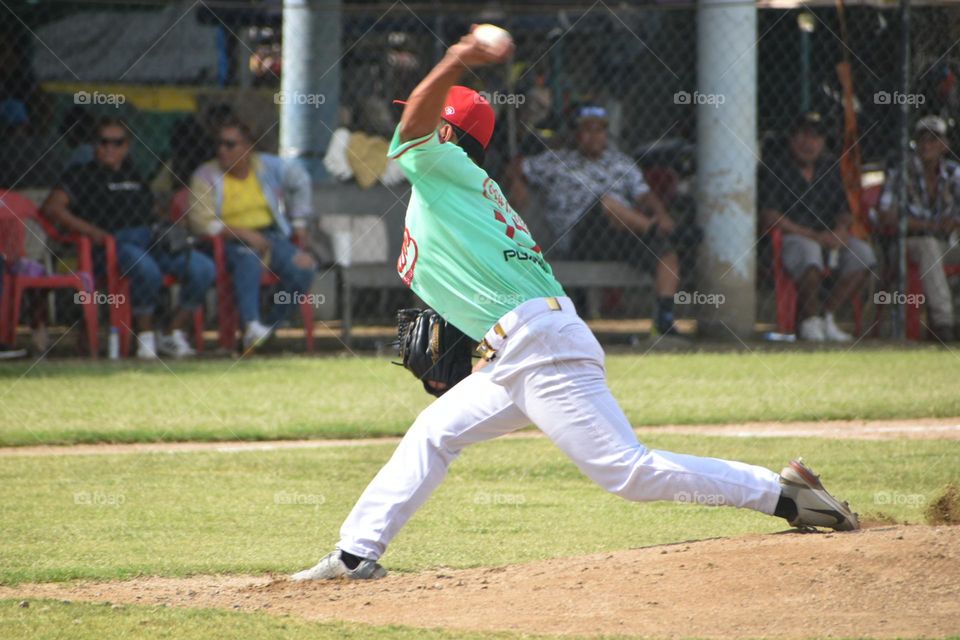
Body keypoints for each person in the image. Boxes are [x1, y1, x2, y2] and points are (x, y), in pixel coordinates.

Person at [291, 28, 859, 582]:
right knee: (434, 433)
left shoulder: (441, 165)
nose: (405, 120)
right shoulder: (453, 188)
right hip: (520, 345)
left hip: (538, 345)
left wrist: (460, 56)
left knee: (626, 471)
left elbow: (417, 116)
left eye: (427, 117)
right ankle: (354, 555)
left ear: (447, 131)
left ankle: (783, 496)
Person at [41, 117, 215, 359]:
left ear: (126, 146)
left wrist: (173, 221)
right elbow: (52, 208)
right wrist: (93, 232)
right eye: (103, 142)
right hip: (112, 247)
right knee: (146, 269)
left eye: (117, 142)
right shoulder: (81, 175)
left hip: (151, 240)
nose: (110, 148)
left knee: (203, 268)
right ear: (94, 146)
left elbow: (152, 209)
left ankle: (171, 332)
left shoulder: (134, 174)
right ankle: (144, 338)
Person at [509, 105, 682, 335]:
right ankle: (652, 230)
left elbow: (644, 195)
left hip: (622, 233)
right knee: (607, 202)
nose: (594, 136)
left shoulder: (620, 162)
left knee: (666, 254)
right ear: (575, 134)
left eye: (599, 130)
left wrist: (661, 214)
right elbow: (515, 166)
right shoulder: (555, 160)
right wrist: (518, 183)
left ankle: (664, 321)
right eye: (587, 130)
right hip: (580, 237)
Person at [188, 116, 316, 349]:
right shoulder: (205, 175)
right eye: (219, 144)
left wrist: (299, 222)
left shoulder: (263, 165)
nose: (222, 150)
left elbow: (299, 176)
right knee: (248, 257)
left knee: (304, 266)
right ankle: (252, 323)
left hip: (270, 235)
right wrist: (241, 233)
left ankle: (268, 328)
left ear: (248, 148)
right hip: (228, 242)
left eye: (230, 144)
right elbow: (200, 222)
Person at [760, 112, 877, 342]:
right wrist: (814, 235)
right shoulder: (773, 167)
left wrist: (841, 231)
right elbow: (770, 216)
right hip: (792, 237)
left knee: (863, 254)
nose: (809, 143)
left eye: (816, 137)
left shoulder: (829, 167)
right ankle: (809, 321)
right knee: (809, 251)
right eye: (803, 136)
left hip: (828, 237)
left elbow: (844, 210)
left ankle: (826, 317)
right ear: (792, 139)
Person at [877, 115, 960, 342]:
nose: (927, 145)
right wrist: (927, 225)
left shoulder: (954, 173)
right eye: (922, 139)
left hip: (948, 242)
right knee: (928, 246)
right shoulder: (901, 172)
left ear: (945, 144)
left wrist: (954, 222)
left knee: (934, 246)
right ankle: (944, 325)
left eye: (933, 140)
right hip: (907, 243)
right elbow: (886, 215)